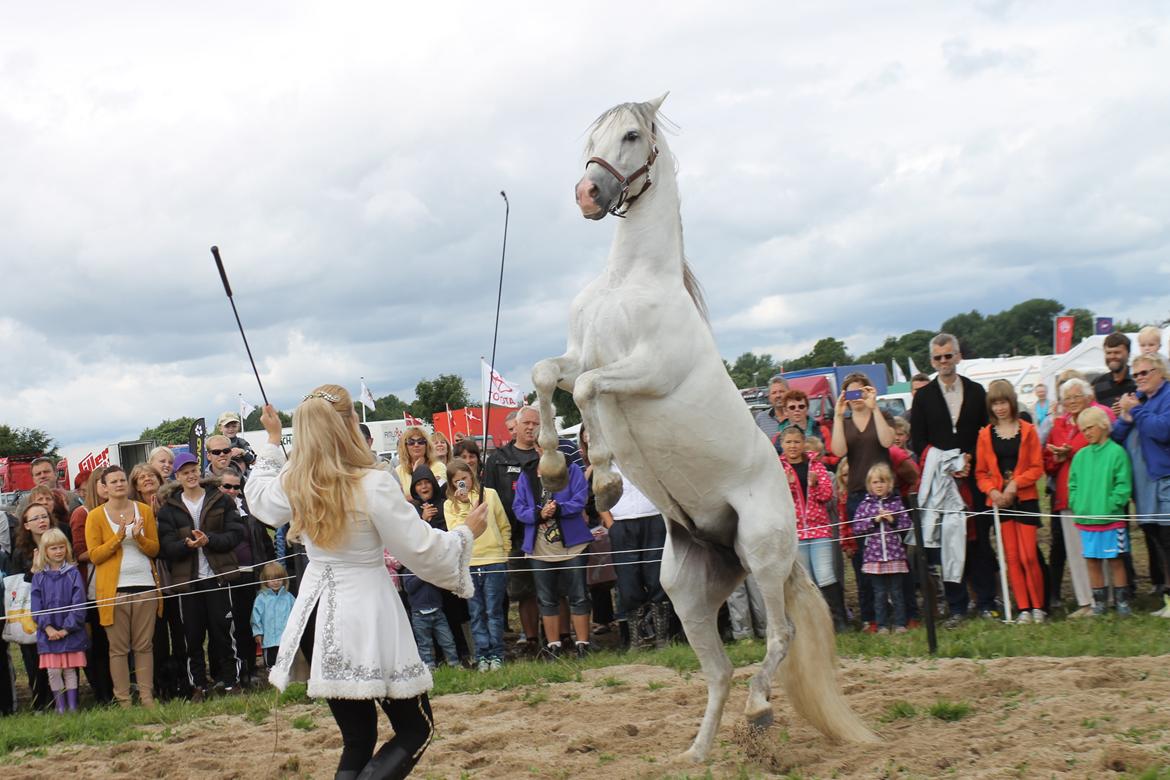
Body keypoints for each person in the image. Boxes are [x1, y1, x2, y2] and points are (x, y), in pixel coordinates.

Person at [245, 386, 487, 779]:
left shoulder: (296, 480)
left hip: (316, 612)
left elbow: (258, 500)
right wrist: (465, 533)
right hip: (366, 612)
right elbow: (420, 549)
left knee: (358, 739)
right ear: (347, 425)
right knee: (416, 729)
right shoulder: (371, 482)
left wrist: (273, 442)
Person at [909, 332, 993, 624]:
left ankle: (985, 601)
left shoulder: (976, 391)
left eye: (948, 356)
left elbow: (986, 432)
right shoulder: (924, 398)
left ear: (958, 356)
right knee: (948, 542)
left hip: (973, 478)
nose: (944, 362)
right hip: (942, 482)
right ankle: (957, 607)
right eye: (938, 357)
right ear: (932, 361)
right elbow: (917, 441)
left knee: (979, 541)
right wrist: (945, 462)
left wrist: (969, 458)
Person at [156, 452, 245, 699]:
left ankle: (231, 681)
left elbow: (236, 533)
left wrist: (210, 540)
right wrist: (186, 544)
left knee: (224, 632)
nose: (191, 475)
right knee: (192, 637)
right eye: (185, 472)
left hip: (218, 575)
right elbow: (165, 546)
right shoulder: (169, 509)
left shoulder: (219, 499)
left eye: (193, 470)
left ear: (199, 471)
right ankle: (198, 685)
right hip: (188, 580)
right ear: (177, 476)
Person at [85, 465, 161, 708]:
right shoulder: (95, 516)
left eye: (122, 480)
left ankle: (147, 697)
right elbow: (95, 556)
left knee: (144, 645)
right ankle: (124, 699)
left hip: (145, 586)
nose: (119, 484)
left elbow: (154, 550)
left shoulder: (145, 510)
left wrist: (138, 537)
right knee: (117, 649)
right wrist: (118, 537)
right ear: (104, 488)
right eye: (113, 481)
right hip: (113, 591)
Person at [974, 380, 1047, 623]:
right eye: (995, 403)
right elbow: (981, 473)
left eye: (1003, 402)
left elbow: (1037, 467)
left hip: (1024, 499)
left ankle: (1039, 606)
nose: (1000, 408)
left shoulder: (1027, 430)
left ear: (1011, 402)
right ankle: (1023, 608)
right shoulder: (985, 435)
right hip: (1000, 502)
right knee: (1012, 557)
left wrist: (1016, 484)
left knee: (1029, 556)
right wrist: (993, 492)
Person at [514, 447, 594, 660]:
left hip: (573, 545)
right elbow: (518, 507)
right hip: (540, 549)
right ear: (538, 447)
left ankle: (583, 645)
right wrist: (538, 514)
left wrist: (559, 509)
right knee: (546, 598)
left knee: (578, 595)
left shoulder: (570, 467)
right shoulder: (528, 472)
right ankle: (553, 646)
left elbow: (580, 496)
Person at [1045, 377, 1115, 617]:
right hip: (1067, 496)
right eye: (1068, 398)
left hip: (1095, 495)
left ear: (1088, 398)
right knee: (1076, 551)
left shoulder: (1095, 420)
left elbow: (1097, 448)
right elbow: (1048, 462)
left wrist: (1070, 450)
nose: (1072, 402)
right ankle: (1085, 602)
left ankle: (1106, 599)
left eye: (1077, 397)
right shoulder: (1059, 424)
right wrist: (1056, 457)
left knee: (1100, 549)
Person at [831, 371, 894, 631]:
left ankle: (898, 612)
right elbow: (838, 451)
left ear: (869, 391)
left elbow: (887, 440)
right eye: (851, 393)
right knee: (862, 560)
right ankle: (870, 615)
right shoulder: (844, 423)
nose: (857, 398)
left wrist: (874, 407)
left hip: (885, 494)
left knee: (891, 554)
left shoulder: (882, 415)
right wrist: (837, 415)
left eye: (861, 391)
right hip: (858, 495)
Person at [1113, 352, 1170, 616]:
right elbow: (1115, 436)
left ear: (1160, 373)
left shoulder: (1165, 396)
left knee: (1168, 538)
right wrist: (1125, 417)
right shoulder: (1142, 400)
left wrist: (1135, 409)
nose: (1139, 379)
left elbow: (1162, 430)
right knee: (1154, 535)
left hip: (1163, 478)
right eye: (1136, 375)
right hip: (1142, 483)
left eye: (1144, 373)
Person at [482, 405, 542, 652]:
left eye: (535, 423)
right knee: (524, 592)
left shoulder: (549, 454)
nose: (530, 427)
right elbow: (488, 499)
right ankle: (531, 640)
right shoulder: (498, 459)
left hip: (548, 535)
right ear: (514, 426)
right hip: (515, 536)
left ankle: (560, 637)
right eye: (526, 423)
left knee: (555, 590)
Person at [444, 459, 511, 672]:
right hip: (470, 563)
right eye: (457, 481)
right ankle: (482, 655)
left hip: (494, 559)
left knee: (494, 611)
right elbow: (456, 532)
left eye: (465, 478)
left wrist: (505, 550)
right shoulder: (449, 505)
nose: (462, 483)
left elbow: (503, 524)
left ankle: (497, 654)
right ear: (451, 484)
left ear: (472, 475)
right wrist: (464, 507)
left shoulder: (489, 495)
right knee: (476, 612)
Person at [778, 426, 847, 631]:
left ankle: (838, 621)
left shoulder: (816, 466)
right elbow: (777, 500)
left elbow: (827, 496)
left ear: (803, 443)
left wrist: (815, 485)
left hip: (819, 530)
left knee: (826, 575)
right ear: (782, 445)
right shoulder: (778, 468)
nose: (793, 446)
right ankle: (811, 624)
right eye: (788, 442)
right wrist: (788, 485)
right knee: (805, 580)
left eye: (796, 441)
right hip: (796, 532)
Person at [1067, 406, 1133, 616]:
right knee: (1092, 561)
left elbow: (1123, 485)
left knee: (1116, 560)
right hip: (1087, 521)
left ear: (1103, 425)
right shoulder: (1080, 456)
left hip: (1111, 520)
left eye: (1090, 428)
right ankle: (1100, 604)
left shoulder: (1117, 452)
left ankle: (1122, 603)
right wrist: (1077, 504)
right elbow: (1073, 484)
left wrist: (1112, 504)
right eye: (1082, 429)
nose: (1086, 433)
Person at [598, 463, 671, 649]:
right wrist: (611, 525)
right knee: (628, 583)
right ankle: (637, 640)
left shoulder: (642, 452)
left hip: (653, 518)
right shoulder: (604, 460)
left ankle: (662, 637)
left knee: (657, 579)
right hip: (621, 523)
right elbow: (599, 494)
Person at [221, 466, 275, 688]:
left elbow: (264, 540)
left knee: (249, 624)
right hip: (225, 576)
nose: (233, 491)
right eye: (227, 486)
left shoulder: (249, 510)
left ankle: (250, 669)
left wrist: (268, 566)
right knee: (229, 626)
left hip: (251, 574)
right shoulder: (214, 511)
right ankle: (231, 672)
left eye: (236, 487)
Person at [67, 467, 114, 704]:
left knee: (115, 643)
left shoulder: (118, 511)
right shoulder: (82, 513)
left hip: (116, 583)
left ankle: (117, 690)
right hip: (94, 587)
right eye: (105, 484)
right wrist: (108, 547)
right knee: (98, 643)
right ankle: (103, 693)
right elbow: (79, 552)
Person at [29, 528, 88, 713]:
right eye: (53, 548)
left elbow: (79, 604)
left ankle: (72, 706)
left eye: (61, 547)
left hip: (70, 633)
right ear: (45, 551)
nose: (58, 551)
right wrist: (47, 628)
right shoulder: (39, 577)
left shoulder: (73, 573)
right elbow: (36, 606)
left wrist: (66, 629)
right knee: (53, 671)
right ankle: (60, 707)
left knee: (70, 670)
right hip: (48, 635)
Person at [852, 463, 911, 634]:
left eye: (883, 482)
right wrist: (874, 520)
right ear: (869, 484)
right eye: (875, 482)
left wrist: (893, 520)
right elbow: (857, 527)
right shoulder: (865, 505)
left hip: (894, 555)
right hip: (874, 557)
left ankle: (900, 624)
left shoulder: (896, 502)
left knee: (897, 591)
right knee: (879, 593)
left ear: (890, 484)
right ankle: (882, 625)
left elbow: (906, 524)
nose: (879, 485)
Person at [13, 502, 56, 709]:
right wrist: (33, 569)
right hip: (31, 612)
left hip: (58, 608)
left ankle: (63, 700)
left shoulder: (60, 543)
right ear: (26, 525)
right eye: (36, 518)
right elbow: (18, 585)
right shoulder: (21, 551)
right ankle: (40, 702)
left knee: (59, 656)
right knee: (33, 658)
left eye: (44, 516)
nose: (41, 521)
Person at [251, 561, 295, 669]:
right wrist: (258, 633)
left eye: (279, 579)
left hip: (285, 639)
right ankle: (272, 680)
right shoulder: (261, 599)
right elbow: (256, 617)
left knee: (285, 663)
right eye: (272, 579)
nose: (276, 582)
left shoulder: (289, 597)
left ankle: (286, 681)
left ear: (284, 579)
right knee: (271, 663)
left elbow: (296, 616)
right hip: (269, 639)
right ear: (265, 580)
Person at [1093, 332, 1136, 418]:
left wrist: (1129, 410)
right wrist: (1109, 413)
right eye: (1108, 353)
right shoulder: (1097, 383)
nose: (1112, 356)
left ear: (1128, 354)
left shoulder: (1138, 380)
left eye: (1117, 352)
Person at [395, 427, 447, 494]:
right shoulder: (398, 471)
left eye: (421, 441)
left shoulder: (439, 466)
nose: (416, 445)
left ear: (427, 445)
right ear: (405, 446)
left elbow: (433, 493)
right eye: (411, 442)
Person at [753, 376, 790, 441]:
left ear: (789, 393)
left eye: (781, 391)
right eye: (774, 393)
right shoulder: (761, 419)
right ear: (769, 397)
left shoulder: (801, 414)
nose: (778, 395)